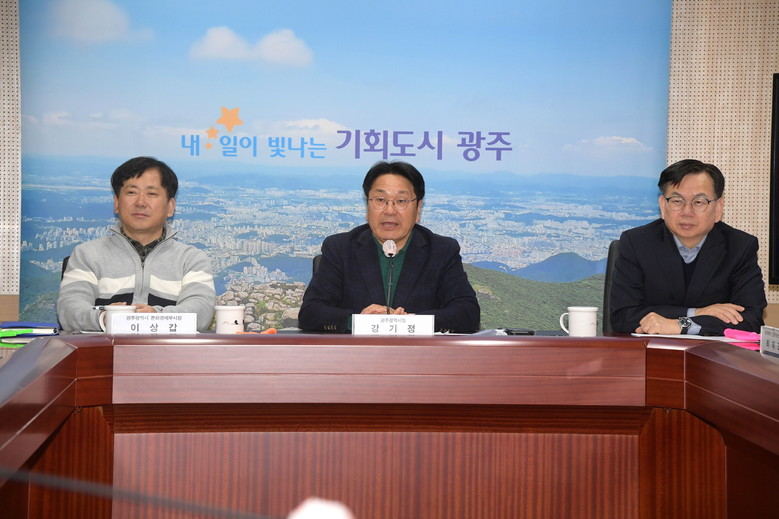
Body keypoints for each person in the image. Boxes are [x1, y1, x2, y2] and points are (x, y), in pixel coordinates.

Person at [298, 160, 480, 333]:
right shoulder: (340, 248)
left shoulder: (441, 250)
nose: (390, 210)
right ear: (367, 206)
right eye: (380, 200)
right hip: (356, 354)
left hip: (419, 353)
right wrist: (359, 321)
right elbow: (311, 312)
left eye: (401, 201)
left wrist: (410, 323)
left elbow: (467, 312)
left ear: (418, 209)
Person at [57, 156, 216, 332]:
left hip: (168, 350)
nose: (140, 202)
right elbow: (69, 310)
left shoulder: (191, 259)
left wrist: (155, 317)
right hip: (104, 350)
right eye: (132, 192)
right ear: (117, 203)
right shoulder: (87, 254)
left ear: (170, 207)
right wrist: (105, 318)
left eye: (151, 194)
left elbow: (200, 313)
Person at [610, 159, 766, 336]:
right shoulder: (637, 243)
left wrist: (682, 325)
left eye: (699, 202)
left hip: (713, 353)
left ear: (718, 208)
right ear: (663, 205)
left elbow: (751, 320)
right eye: (677, 201)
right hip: (651, 351)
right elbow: (623, 317)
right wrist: (696, 313)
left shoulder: (740, 247)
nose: (687, 212)